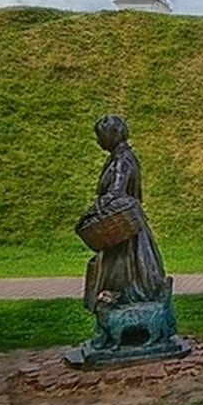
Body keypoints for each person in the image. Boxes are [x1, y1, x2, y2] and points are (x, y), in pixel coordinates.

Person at [82, 115, 167, 315]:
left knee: (123, 268)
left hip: (123, 226)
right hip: (122, 223)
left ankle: (127, 301)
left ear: (112, 135)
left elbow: (116, 192)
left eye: (101, 136)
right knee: (121, 267)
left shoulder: (123, 160)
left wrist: (94, 210)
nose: (99, 141)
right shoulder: (119, 158)